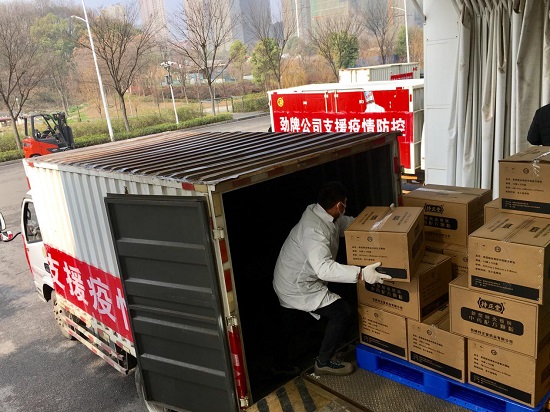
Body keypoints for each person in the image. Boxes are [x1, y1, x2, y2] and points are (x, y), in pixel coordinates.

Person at [273, 181, 391, 376]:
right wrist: (362, 273)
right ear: (339, 205)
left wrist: (383, 221)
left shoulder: (326, 215)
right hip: (297, 285)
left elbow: (352, 224)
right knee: (341, 313)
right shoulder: (314, 231)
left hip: (294, 275)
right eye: (345, 203)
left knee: (292, 321)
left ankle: (280, 364)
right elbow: (323, 269)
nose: (346, 206)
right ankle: (323, 362)